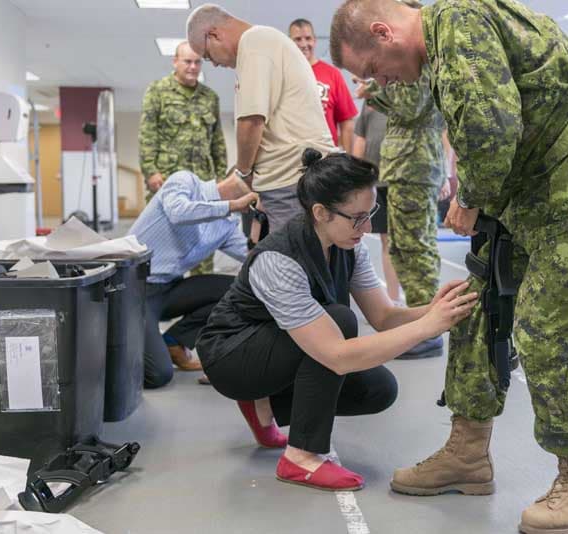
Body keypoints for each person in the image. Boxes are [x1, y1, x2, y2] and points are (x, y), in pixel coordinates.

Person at [330, 1, 568, 532]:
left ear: (384, 32)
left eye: (374, 68)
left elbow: (491, 131)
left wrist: (470, 197)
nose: (381, 80)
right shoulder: (440, 46)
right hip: (541, 185)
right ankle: (468, 452)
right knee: (471, 302)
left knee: (551, 329)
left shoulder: (461, 23)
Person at [196, 149, 478, 492]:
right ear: (321, 213)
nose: (369, 227)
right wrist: (428, 326)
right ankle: (300, 457)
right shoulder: (279, 259)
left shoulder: (349, 245)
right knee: (339, 320)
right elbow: (335, 355)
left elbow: (384, 316)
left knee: (379, 389)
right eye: (358, 217)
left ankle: (265, 404)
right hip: (232, 356)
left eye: (370, 213)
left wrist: (434, 309)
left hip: (278, 342)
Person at [185, 4, 334, 233]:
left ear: (213, 34)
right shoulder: (263, 44)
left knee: (294, 264)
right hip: (294, 177)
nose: (213, 63)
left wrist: (243, 175)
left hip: (291, 180)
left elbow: (252, 121)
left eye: (207, 55)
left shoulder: (255, 42)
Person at [128, 169, 256, 389]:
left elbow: (253, 255)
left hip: (169, 289)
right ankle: (123, 340)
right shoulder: (184, 181)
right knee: (158, 374)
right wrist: (233, 205)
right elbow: (178, 212)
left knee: (239, 291)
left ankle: (174, 341)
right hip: (134, 289)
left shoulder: (227, 224)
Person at [355, 67, 451, 358]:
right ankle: (419, 325)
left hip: (415, 169)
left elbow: (411, 105)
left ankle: (428, 330)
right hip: (402, 170)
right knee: (400, 249)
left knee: (415, 250)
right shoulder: (406, 71)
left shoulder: (418, 67)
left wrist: (374, 89)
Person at [138, 40, 228, 275]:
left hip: (202, 184)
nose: (192, 67)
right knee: (163, 249)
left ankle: (199, 308)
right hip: (167, 182)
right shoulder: (157, 91)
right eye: (187, 61)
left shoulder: (210, 97)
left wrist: (220, 178)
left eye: (197, 62)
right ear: (175, 62)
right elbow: (147, 133)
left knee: (203, 248)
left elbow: (217, 141)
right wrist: (151, 170)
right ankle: (161, 302)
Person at [351, 101, 402, 304]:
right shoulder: (371, 99)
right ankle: (393, 299)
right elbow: (360, 138)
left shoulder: (410, 90)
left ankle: (418, 298)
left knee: (407, 242)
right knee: (387, 241)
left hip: (404, 180)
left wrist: (445, 173)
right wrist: (353, 174)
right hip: (377, 181)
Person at [289, 18, 358, 152]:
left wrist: (347, 159)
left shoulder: (332, 74)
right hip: (291, 156)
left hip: (325, 156)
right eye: (298, 39)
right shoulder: (281, 74)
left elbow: (346, 121)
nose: (304, 44)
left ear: (314, 41)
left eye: (308, 38)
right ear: (289, 42)